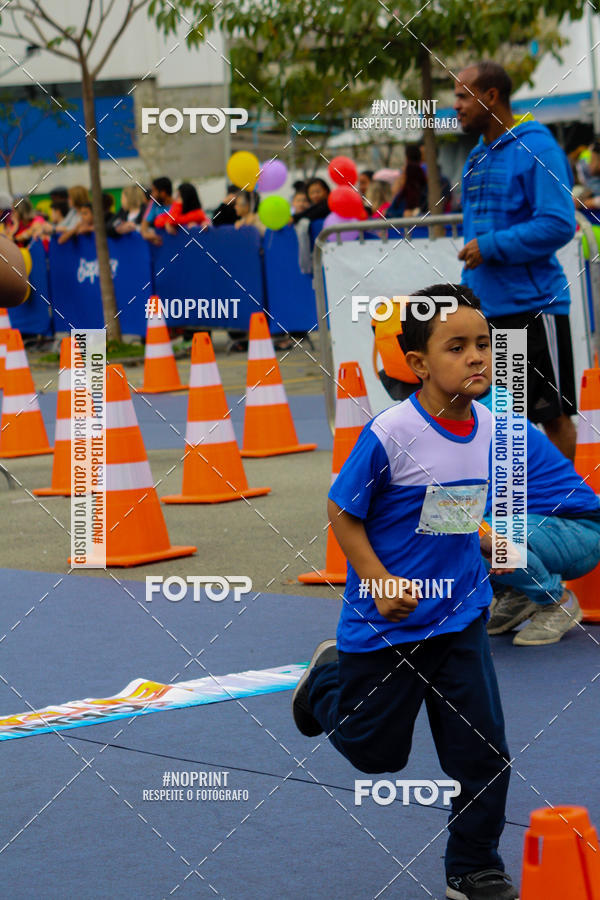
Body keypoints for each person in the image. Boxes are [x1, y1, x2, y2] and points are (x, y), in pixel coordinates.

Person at [293, 284, 518, 900]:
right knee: (376, 756)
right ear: (418, 364)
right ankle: (326, 682)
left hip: (460, 617)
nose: (477, 357)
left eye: (484, 344)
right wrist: (379, 577)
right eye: (457, 347)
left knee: (485, 755)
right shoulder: (391, 432)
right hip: (387, 625)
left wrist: (486, 540)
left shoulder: (491, 428)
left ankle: (471, 869)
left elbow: (448, 504)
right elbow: (342, 511)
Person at [455, 61, 577, 460]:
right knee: (503, 421)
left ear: (490, 97)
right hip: (487, 312)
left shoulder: (537, 147)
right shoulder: (477, 156)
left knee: (552, 417)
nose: (456, 105)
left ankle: (570, 513)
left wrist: (490, 246)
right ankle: (518, 514)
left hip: (533, 308)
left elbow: (559, 224)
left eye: (462, 95)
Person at [476, 386, 599, 646]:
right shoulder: (460, 427)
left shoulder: (495, 428)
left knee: (478, 535)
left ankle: (557, 602)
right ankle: (519, 591)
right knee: (456, 531)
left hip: (580, 530)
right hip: (542, 528)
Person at [141, 176, 174, 245]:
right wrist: (149, 236)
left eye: (154, 191)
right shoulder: (153, 204)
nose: (152, 194)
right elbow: (144, 227)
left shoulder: (178, 205)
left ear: (163, 193)